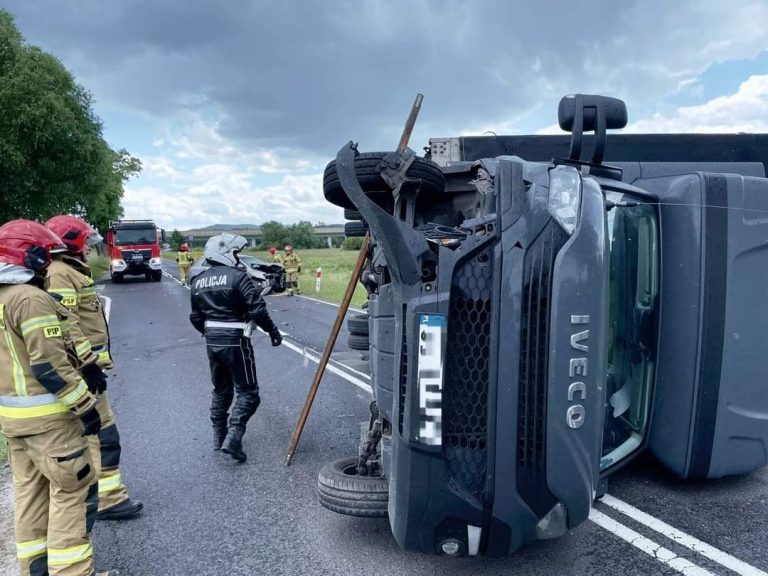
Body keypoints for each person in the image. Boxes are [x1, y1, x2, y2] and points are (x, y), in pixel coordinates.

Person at [0, 219, 117, 576]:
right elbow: (50, 367)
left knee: (30, 495)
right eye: (46, 255)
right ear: (29, 256)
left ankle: (34, 569)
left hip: (13, 421)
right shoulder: (30, 299)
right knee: (72, 490)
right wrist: (86, 407)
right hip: (50, 420)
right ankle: (73, 571)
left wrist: (88, 362)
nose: (50, 263)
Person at [45, 214, 144, 521]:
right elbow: (68, 324)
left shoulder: (69, 270)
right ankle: (109, 499)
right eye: (86, 242)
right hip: (81, 372)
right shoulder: (61, 273)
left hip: (84, 370)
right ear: (72, 242)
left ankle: (104, 494)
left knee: (97, 435)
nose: (89, 248)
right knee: (103, 434)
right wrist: (88, 364)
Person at [189, 233, 282, 462]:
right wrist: (272, 331)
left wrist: (210, 331)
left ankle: (218, 436)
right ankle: (234, 438)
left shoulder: (197, 280)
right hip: (235, 340)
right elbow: (257, 309)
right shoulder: (238, 277)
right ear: (226, 252)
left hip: (212, 341)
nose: (238, 257)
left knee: (221, 390)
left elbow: (195, 317)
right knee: (249, 393)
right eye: (236, 253)